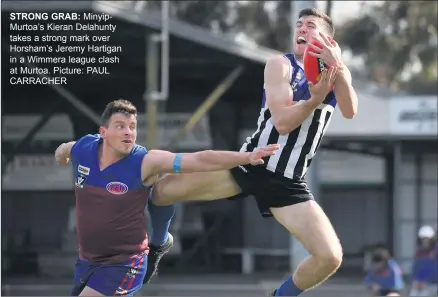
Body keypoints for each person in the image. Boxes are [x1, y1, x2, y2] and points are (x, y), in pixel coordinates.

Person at [150, 7, 358, 296]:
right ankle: (158, 244)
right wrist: (314, 100)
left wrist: (341, 71)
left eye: (311, 25)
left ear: (328, 40)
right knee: (160, 192)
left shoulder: (335, 77)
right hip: (254, 163)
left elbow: (350, 111)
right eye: (299, 25)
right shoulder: (280, 65)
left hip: (287, 182)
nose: (302, 29)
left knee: (330, 257)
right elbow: (283, 122)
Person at [54, 99, 279, 296]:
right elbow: (65, 148)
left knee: (162, 192)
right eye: (120, 126)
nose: (128, 132)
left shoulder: (145, 161)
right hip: (88, 261)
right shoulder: (84, 148)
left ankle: (158, 243)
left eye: (132, 127)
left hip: (124, 263)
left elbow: (201, 159)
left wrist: (246, 156)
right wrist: (61, 157)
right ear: (103, 132)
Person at [410, 225, 438, 296]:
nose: (425, 242)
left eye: (427, 240)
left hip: (433, 285)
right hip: (420, 285)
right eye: (423, 240)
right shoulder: (419, 253)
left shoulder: (436, 251)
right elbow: (415, 270)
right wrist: (415, 281)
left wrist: (427, 282)